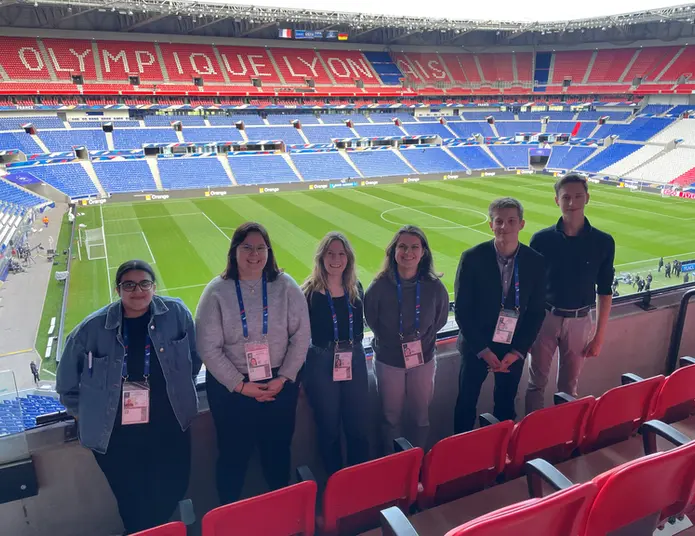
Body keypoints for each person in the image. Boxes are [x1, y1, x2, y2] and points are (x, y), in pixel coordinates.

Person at [56, 260, 200, 535]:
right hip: (117, 437)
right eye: (129, 285)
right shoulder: (92, 329)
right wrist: (86, 415)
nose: (138, 290)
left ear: (154, 286)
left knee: (174, 488)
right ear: (118, 289)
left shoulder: (177, 313)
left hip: (170, 427)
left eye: (145, 283)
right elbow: (66, 384)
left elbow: (194, 359)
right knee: (132, 501)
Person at [195, 222, 310, 505]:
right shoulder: (216, 291)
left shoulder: (286, 286)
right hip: (232, 391)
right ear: (234, 251)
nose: (254, 254)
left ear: (269, 252)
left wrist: (283, 378)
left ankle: (281, 515)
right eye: (247, 247)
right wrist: (240, 385)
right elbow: (208, 348)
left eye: (261, 247)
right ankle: (229, 518)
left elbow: (302, 336)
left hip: (279, 385)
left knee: (278, 451)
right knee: (233, 457)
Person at [454, 198, 546, 433]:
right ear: (491, 225)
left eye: (511, 221)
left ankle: (501, 458)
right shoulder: (472, 258)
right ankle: (458, 462)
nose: (505, 226)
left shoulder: (535, 262)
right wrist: (483, 351)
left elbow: (536, 312)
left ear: (522, 224)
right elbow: (462, 310)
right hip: (477, 347)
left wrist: (518, 352)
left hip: (512, 348)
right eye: (499, 221)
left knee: (506, 406)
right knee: (466, 404)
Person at [526, 173, 615, 413]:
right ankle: (532, 439)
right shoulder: (541, 240)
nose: (572, 202)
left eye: (578, 196)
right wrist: (525, 330)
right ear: (557, 200)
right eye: (566, 197)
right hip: (545, 319)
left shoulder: (603, 242)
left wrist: (599, 336)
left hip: (580, 321)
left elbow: (605, 291)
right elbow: (529, 289)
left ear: (587, 198)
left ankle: (560, 441)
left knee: (568, 388)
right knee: (536, 384)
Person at [364, 225, 449, 452]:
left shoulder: (434, 286)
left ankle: (417, 462)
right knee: (390, 418)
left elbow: (440, 320)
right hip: (388, 362)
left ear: (423, 253)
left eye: (414, 247)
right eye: (402, 246)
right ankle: (395, 464)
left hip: (423, 360)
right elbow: (371, 318)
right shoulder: (379, 286)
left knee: (421, 416)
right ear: (393, 251)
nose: (408, 252)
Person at [301, 232, 370, 475]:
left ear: (348, 258)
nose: (336, 258)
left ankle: (358, 480)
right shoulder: (308, 292)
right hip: (321, 361)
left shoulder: (356, 287)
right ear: (321, 257)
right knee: (328, 427)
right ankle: (333, 483)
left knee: (358, 426)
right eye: (330, 253)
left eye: (341, 253)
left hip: (355, 358)